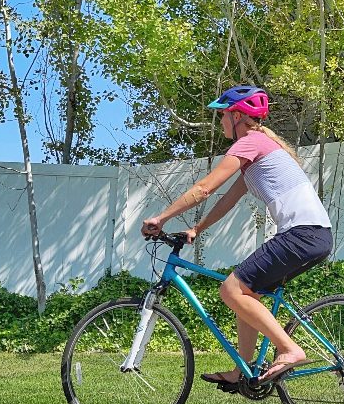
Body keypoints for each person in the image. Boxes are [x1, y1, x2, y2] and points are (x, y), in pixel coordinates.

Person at [141, 85, 333, 384]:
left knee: (231, 290)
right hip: (313, 236)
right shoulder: (259, 152)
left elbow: (204, 189)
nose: (220, 121)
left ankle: (290, 349)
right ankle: (242, 371)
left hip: (302, 234)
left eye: (223, 115)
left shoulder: (250, 143)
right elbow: (227, 200)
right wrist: (196, 229)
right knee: (246, 294)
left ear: (238, 116)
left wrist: (161, 217)